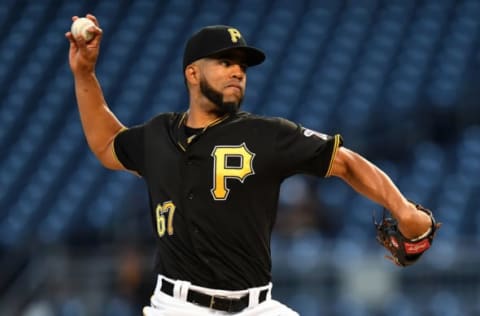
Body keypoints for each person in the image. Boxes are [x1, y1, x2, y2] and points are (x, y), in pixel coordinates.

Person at [66, 14, 433, 316]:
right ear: (192, 74)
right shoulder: (158, 134)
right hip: (177, 307)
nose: (238, 71)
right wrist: (85, 74)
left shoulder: (266, 134)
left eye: (242, 65)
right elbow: (107, 142)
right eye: (225, 62)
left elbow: (346, 162)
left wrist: (401, 208)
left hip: (256, 307)